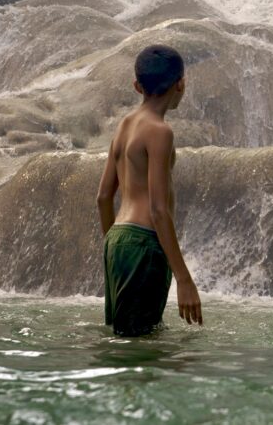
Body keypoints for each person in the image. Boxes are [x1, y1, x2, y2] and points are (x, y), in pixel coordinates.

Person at [96, 44, 202, 335]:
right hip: (144, 242)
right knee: (139, 343)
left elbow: (103, 197)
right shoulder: (159, 131)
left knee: (126, 337)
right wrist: (184, 279)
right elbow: (158, 209)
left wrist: (114, 245)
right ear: (180, 83)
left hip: (117, 240)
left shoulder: (124, 126)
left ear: (136, 85)